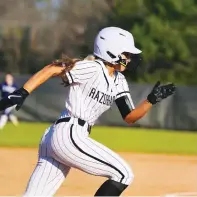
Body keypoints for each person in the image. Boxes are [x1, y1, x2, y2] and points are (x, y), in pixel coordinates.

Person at [0, 27, 175, 196]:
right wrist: (23, 92)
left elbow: (130, 116)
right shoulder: (93, 68)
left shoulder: (119, 80)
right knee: (123, 174)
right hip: (68, 134)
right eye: (126, 54)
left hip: (63, 136)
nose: (129, 58)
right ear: (112, 51)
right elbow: (54, 68)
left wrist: (151, 100)